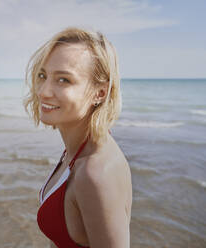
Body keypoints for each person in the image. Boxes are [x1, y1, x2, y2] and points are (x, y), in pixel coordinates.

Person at [23, 27, 132, 248]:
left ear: (100, 93)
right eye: (43, 75)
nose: (44, 91)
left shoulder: (94, 174)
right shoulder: (83, 146)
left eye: (63, 80)